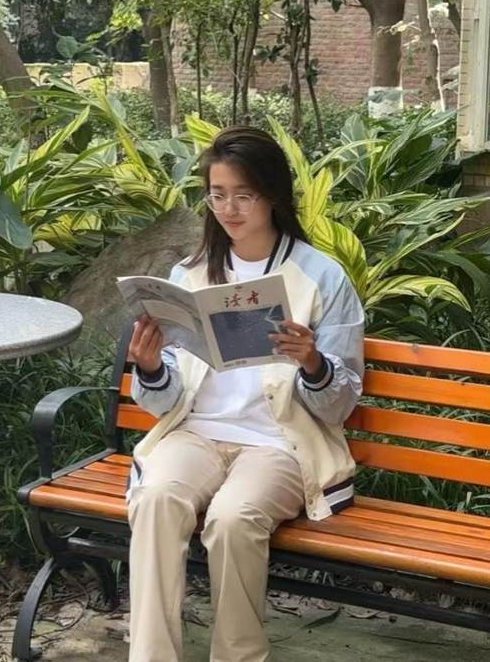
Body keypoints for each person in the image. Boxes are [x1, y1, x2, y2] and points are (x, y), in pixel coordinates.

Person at [126, 126, 365, 662]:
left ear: (272, 195)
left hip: (279, 444)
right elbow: (164, 400)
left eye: (243, 195)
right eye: (217, 195)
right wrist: (150, 367)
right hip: (195, 434)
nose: (228, 209)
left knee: (233, 519)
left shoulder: (322, 277)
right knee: (157, 498)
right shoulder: (189, 275)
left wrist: (312, 362)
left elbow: (341, 403)